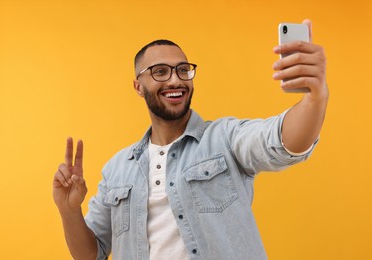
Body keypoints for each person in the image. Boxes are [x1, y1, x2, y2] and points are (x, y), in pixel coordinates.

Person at [53, 19, 328, 260]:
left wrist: (315, 97)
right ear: (138, 86)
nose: (175, 80)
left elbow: (283, 141)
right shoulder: (116, 169)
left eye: (183, 70)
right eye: (160, 72)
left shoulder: (225, 139)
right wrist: (69, 211)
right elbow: (90, 253)